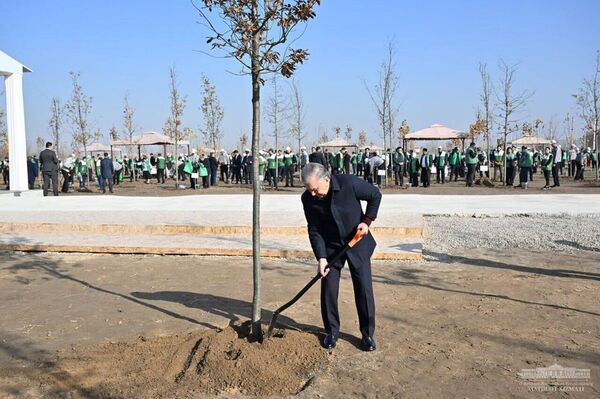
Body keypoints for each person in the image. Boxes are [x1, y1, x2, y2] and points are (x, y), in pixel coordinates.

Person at [301, 162, 381, 351]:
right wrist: (321, 257)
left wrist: (367, 221)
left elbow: (375, 195)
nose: (313, 194)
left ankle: (367, 334)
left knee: (363, 288)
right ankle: (331, 331)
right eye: (309, 190)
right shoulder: (308, 198)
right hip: (330, 247)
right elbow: (314, 229)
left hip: (356, 241)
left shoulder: (349, 183)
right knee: (328, 288)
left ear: (326, 179)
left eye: (315, 189)